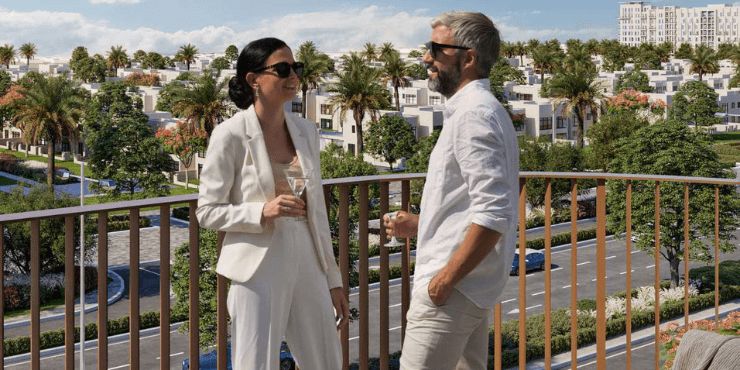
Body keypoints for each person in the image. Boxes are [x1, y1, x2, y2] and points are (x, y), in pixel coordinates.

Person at [196, 37, 347, 370]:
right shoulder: (230, 134)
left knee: (327, 359)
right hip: (258, 264)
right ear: (254, 80)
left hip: (308, 256)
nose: (292, 76)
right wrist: (261, 211)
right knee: (255, 362)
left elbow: (317, 211)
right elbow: (207, 211)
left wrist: (333, 279)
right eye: (282, 69)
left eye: (296, 68)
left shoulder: (306, 131)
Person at [383, 11, 519, 370]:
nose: (426, 57)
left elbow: (494, 215)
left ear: (468, 58)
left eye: (435, 49)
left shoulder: (474, 115)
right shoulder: (480, 111)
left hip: (452, 293)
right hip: (469, 291)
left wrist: (444, 281)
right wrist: (420, 224)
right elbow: (473, 204)